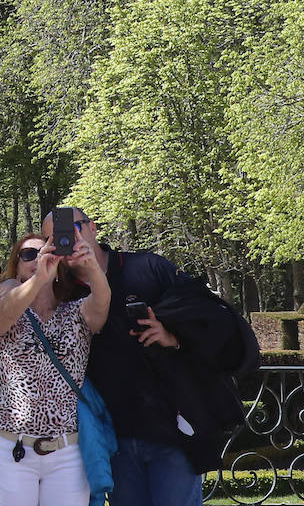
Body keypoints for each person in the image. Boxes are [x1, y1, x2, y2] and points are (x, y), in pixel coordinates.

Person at [41, 207, 257, 506]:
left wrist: (175, 336)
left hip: (172, 429)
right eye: (53, 237)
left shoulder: (146, 268)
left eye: (73, 228)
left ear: (92, 227)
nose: (66, 239)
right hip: (113, 437)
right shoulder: (57, 292)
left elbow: (209, 315)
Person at [0, 233, 111, 506]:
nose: (37, 259)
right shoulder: (3, 300)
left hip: (67, 454)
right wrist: (38, 278)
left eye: (45, 253)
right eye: (28, 255)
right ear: (16, 266)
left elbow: (101, 305)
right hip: (12, 450)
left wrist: (92, 267)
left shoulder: (75, 312)